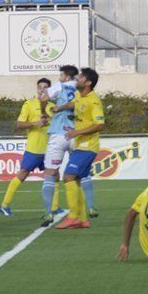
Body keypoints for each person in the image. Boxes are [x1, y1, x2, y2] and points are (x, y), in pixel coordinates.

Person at [54, 68, 104, 230]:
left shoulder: (93, 101)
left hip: (88, 146)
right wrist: (60, 108)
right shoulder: (79, 95)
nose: (78, 78)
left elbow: (100, 124)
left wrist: (77, 132)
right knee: (75, 180)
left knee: (68, 177)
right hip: (80, 145)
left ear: (88, 83)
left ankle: (73, 216)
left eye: (81, 77)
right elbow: (73, 103)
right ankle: (82, 220)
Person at [0, 78, 54, 219]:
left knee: (53, 175)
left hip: (49, 148)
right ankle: (4, 205)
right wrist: (36, 123)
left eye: (45, 87)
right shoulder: (29, 104)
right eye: (40, 87)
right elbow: (19, 124)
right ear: (37, 89)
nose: (42, 89)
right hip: (34, 149)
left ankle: (54, 208)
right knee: (22, 174)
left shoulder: (54, 107)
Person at [39, 65, 78, 224]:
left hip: (58, 133)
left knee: (49, 173)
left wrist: (43, 111)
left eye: (61, 74)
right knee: (77, 174)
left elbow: (43, 97)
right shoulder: (81, 88)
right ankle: (78, 213)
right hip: (77, 134)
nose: (59, 77)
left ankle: (48, 212)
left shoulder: (59, 86)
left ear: (67, 76)